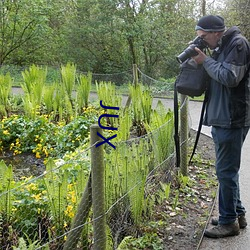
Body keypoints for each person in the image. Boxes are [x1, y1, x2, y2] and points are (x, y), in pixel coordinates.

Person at [192, 15, 250, 238]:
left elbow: (229, 77)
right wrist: (202, 60)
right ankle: (237, 214)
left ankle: (228, 223)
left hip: (232, 118)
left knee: (225, 171)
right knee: (227, 171)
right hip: (222, 117)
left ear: (216, 32)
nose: (203, 41)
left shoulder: (238, 44)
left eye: (204, 37)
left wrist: (205, 61)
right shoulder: (221, 46)